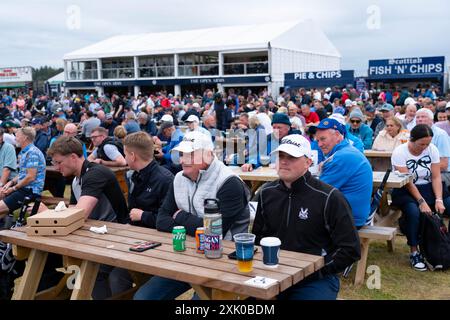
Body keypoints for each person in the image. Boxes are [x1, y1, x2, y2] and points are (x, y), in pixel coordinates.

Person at [134, 131, 250, 300]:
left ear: (208, 155)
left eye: (189, 155)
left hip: (222, 261)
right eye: (181, 154)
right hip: (184, 256)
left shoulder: (229, 182)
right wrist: (198, 225)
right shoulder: (179, 178)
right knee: (143, 298)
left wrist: (180, 217)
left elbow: (215, 233)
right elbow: (161, 221)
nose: (182, 160)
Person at [252, 134, 360, 300]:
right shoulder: (266, 192)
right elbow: (258, 238)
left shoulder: (329, 196)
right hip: (270, 273)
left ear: (308, 162)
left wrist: (316, 271)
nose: (284, 161)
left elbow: (350, 249)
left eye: (292, 157)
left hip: (315, 279)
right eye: (281, 156)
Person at [45, 136, 130, 298]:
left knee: (90, 273)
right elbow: (73, 209)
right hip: (100, 237)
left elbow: (79, 214)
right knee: (71, 267)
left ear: (73, 157)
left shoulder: (95, 173)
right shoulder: (77, 179)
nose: (56, 167)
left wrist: (45, 214)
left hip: (119, 238)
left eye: (58, 162)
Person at [391, 124, 450, 271]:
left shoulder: (432, 149)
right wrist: (421, 201)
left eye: (427, 144)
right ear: (412, 139)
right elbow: (409, 182)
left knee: (448, 205)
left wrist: (439, 199)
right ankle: (414, 251)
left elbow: (436, 177)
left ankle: (444, 246)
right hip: (405, 188)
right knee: (413, 212)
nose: (424, 147)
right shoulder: (400, 152)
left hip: (428, 187)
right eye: (421, 144)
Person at [316, 118, 373, 228]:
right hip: (352, 215)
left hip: (348, 220)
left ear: (337, 135)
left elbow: (319, 192)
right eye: (317, 140)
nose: (320, 144)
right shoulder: (346, 151)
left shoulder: (342, 157)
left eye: (323, 139)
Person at [124, 132, 174, 228]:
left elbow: (169, 220)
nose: (124, 158)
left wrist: (143, 216)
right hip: (135, 232)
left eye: (125, 154)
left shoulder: (164, 180)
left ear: (133, 156)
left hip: (157, 237)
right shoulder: (134, 175)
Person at [0, 127, 45, 219]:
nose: (15, 138)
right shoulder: (26, 152)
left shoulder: (32, 153)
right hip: (24, 190)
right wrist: (11, 182)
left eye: (17, 136)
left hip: (29, 192)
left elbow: (30, 177)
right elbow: (23, 173)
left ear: (24, 138)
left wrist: (13, 188)